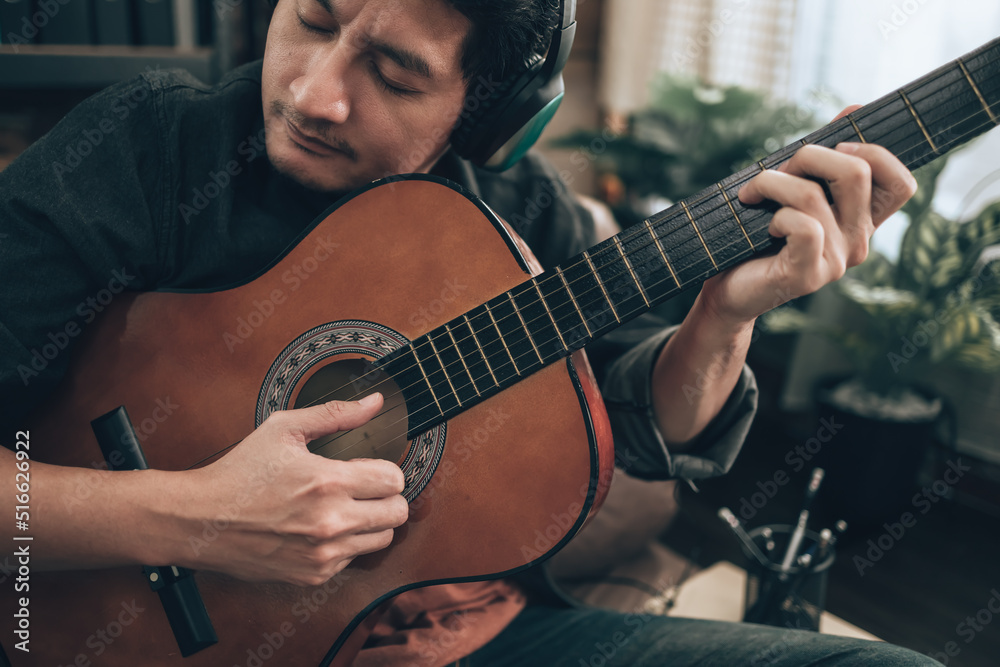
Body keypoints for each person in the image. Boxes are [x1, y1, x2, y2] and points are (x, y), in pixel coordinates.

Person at [0, 0, 940, 665]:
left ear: (486, 117)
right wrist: (205, 517)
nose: (314, 95)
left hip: (474, 634)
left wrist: (726, 314)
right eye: (315, 20)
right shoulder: (148, 151)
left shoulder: (519, 218)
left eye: (395, 73)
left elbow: (657, 424)